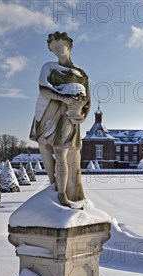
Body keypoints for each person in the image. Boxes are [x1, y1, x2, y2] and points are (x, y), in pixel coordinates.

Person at [30, 32, 91, 207]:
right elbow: (43, 89)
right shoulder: (49, 67)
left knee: (61, 152)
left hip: (69, 118)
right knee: (44, 149)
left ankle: (63, 194)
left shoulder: (81, 74)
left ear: (69, 45)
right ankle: (53, 184)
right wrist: (64, 97)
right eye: (53, 48)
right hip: (48, 113)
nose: (57, 50)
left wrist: (83, 117)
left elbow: (88, 101)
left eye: (60, 45)